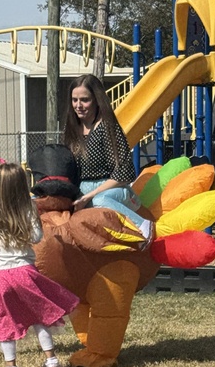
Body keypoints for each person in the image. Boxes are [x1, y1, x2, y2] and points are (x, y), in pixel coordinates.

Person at [0, 162, 79, 367]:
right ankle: (51, 360)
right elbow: (36, 238)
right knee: (40, 316)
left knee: (5, 322)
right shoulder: (28, 208)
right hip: (24, 272)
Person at [63, 73, 151, 242]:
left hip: (112, 190)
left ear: (96, 100)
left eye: (84, 100)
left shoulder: (107, 127)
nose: (78, 105)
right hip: (82, 191)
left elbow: (124, 173)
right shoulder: (72, 130)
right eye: (75, 100)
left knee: (100, 200)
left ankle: (143, 226)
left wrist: (90, 196)